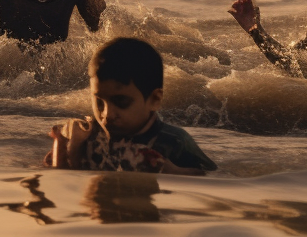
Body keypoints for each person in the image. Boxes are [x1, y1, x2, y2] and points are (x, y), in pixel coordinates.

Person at [45, 38, 215, 174]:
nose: (107, 114)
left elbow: (211, 179)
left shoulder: (175, 142)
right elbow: (58, 175)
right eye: (99, 102)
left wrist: (173, 172)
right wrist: (65, 145)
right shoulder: (88, 135)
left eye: (121, 102)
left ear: (155, 99)